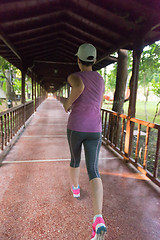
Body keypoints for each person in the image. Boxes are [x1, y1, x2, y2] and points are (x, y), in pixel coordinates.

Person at [63, 43, 107, 240]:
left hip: (76, 127)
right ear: (94, 61)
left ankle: (75, 189)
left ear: (78, 60)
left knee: (74, 160)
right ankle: (98, 218)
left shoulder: (74, 76)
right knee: (93, 170)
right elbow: (99, 101)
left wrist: (67, 103)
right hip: (94, 130)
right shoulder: (100, 79)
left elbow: (79, 87)